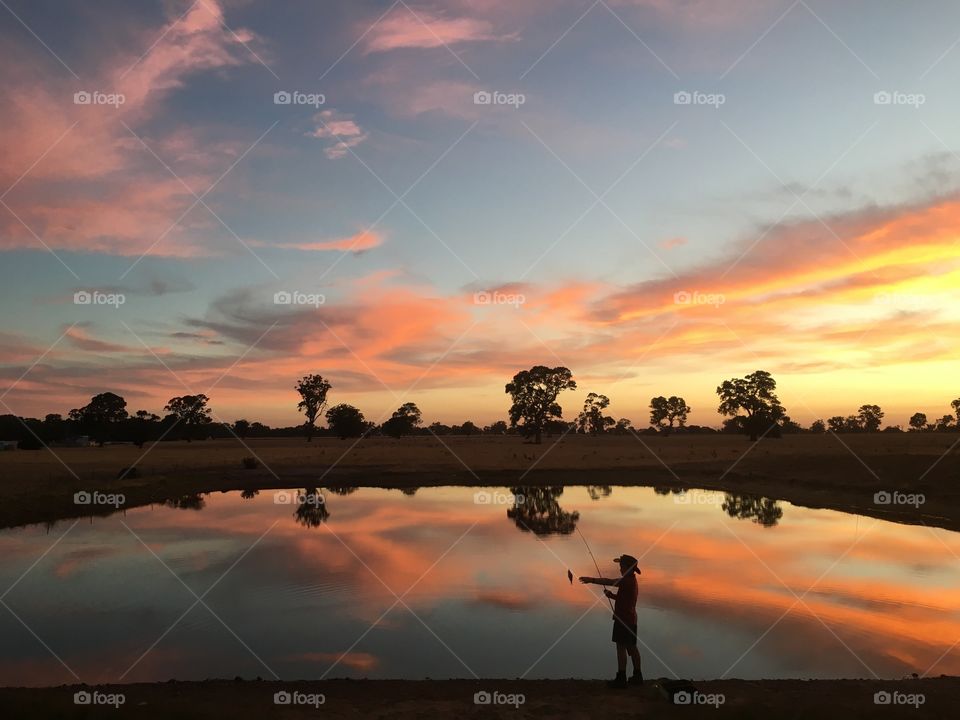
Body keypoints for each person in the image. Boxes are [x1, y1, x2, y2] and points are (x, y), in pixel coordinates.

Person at [579, 554, 642, 688]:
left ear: (627, 568)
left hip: (623, 620)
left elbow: (610, 581)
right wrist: (612, 596)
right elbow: (626, 599)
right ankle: (638, 676)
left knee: (621, 648)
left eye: (621, 566)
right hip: (631, 619)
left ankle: (621, 678)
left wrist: (592, 580)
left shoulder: (626, 581)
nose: (620, 569)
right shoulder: (632, 581)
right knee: (632, 647)